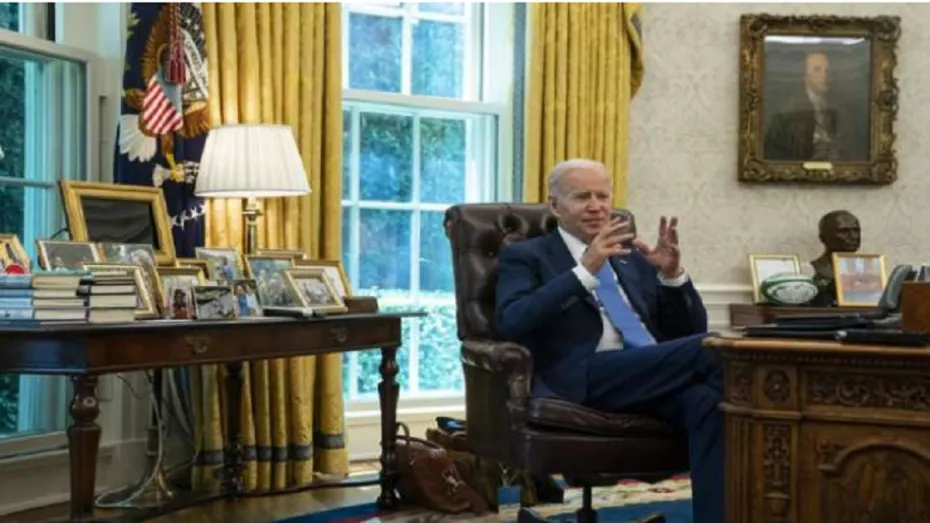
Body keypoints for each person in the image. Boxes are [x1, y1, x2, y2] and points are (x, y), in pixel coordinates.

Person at [494, 159, 722, 523]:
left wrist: (672, 276)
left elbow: (688, 331)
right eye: (582, 197)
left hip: (647, 371)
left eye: (602, 196)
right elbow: (512, 320)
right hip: (584, 374)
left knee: (708, 402)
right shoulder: (527, 256)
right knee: (714, 349)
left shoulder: (632, 256)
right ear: (555, 206)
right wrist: (584, 271)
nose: (596, 206)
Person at [764, 51, 865, 162]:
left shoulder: (841, 107)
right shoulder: (788, 111)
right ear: (805, 75)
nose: (824, 75)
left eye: (827, 71)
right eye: (817, 70)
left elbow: (851, 146)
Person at [809, 210, 861, 306]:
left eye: (856, 230)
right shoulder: (812, 270)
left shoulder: (867, 269)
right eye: (843, 231)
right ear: (823, 238)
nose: (853, 236)